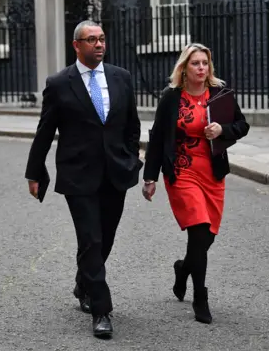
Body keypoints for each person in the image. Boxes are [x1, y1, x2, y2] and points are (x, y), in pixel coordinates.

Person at [24, 20, 142, 338]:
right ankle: (101, 310)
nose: (99, 44)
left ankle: (83, 284)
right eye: (92, 40)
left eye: (102, 39)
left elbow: (132, 124)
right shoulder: (60, 83)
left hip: (115, 172)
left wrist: (132, 158)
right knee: (91, 239)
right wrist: (35, 171)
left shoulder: (121, 77)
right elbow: (45, 130)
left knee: (106, 238)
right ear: (77, 45)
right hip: (78, 175)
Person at [141, 43, 249, 324]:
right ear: (184, 68)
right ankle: (200, 297)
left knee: (207, 237)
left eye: (205, 63)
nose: (201, 68)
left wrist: (223, 130)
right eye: (195, 63)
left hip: (212, 173)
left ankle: (182, 269)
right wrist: (150, 177)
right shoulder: (171, 97)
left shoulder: (221, 95)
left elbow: (242, 125)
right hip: (182, 172)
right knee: (199, 230)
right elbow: (156, 138)